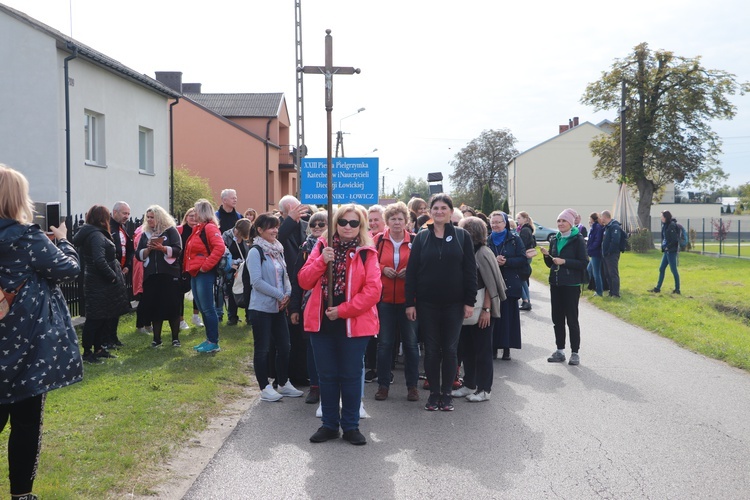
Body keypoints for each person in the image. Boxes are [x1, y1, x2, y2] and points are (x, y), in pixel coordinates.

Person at [0, 164, 83, 500]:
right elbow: (69, 269)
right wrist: (64, 242)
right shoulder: (26, 238)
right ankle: (21, 494)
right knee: (25, 421)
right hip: (23, 342)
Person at [298, 204, 382, 445]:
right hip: (322, 322)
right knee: (327, 375)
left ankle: (351, 425)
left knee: (351, 375)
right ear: (335, 224)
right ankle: (329, 424)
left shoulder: (367, 252)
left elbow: (373, 291)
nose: (348, 227)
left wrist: (343, 311)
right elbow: (304, 280)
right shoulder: (322, 246)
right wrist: (321, 262)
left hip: (353, 324)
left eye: (354, 223)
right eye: (343, 222)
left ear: (361, 226)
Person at [405, 193, 477, 412]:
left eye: (443, 208)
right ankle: (434, 393)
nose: (439, 211)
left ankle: (447, 394)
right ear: (429, 211)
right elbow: (412, 273)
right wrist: (410, 303)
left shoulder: (462, 236)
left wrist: (469, 301)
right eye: (435, 208)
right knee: (432, 350)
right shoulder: (421, 238)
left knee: (450, 349)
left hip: (454, 304)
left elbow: (470, 272)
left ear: (450, 211)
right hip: (427, 304)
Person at [247, 213, 304, 402]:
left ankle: (283, 382)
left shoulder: (277, 249)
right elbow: (256, 282)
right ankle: (264, 387)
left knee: (285, 346)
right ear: (260, 230)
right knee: (262, 349)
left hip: (279, 308)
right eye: (271, 227)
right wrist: (280, 296)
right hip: (261, 309)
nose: (275, 231)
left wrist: (287, 294)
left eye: (277, 227)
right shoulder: (256, 251)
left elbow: (285, 275)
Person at [453, 216, 507, 403]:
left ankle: (485, 389)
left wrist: (486, 310)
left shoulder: (483, 253)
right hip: (469, 310)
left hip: (482, 310)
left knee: (483, 351)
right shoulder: (468, 251)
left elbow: (491, 285)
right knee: (467, 348)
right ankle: (470, 384)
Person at [372, 202, 420, 402]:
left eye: (401, 219)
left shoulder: (416, 240)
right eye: (393, 219)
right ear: (387, 221)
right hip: (384, 300)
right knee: (384, 344)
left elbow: (424, 265)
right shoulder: (378, 240)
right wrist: (383, 268)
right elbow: (369, 262)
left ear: (406, 221)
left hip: (409, 300)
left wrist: (411, 272)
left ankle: (412, 386)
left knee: (410, 344)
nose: (397, 222)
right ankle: (383, 385)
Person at [72, 205, 131, 363]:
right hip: (99, 283)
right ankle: (87, 353)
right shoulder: (96, 235)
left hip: (99, 282)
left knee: (102, 316)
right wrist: (112, 276)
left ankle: (99, 349)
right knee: (94, 319)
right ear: (102, 218)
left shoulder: (94, 233)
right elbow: (99, 260)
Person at [540, 208, 588, 366]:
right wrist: (547, 256)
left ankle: (575, 353)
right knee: (557, 318)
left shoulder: (578, 239)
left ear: (571, 223)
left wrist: (564, 261)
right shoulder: (554, 239)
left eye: (564, 221)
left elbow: (583, 262)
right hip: (556, 283)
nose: (560, 223)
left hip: (571, 284)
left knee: (572, 320)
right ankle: (560, 350)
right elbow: (550, 264)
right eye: (559, 221)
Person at [289, 210, 328, 404]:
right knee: (312, 347)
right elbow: (297, 280)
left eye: (322, 225)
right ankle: (314, 387)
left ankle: (328, 386)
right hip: (309, 305)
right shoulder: (304, 248)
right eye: (313, 225)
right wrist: (295, 308)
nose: (317, 228)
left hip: (329, 304)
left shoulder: (334, 247)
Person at [136, 205, 183, 348]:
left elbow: (178, 250)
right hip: (152, 275)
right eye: (148, 217)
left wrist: (163, 249)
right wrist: (149, 249)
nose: (150, 220)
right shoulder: (145, 234)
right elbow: (138, 254)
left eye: (152, 217)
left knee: (172, 306)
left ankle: (175, 338)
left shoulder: (171, 231)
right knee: (155, 307)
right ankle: (157, 339)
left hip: (169, 274)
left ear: (160, 218)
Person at [184, 199, 226, 353]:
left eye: (196, 210)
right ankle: (209, 339)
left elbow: (219, 247)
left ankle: (213, 342)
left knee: (208, 308)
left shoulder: (209, 228)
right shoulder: (200, 228)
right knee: (203, 307)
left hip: (203, 273)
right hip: (197, 272)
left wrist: (205, 266)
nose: (193, 213)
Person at [277, 195, 311, 386]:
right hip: (285, 285)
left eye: (299, 209)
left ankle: (301, 372)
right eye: (293, 210)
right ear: (284, 212)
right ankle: (286, 374)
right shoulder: (279, 226)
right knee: (287, 334)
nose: (299, 213)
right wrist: (289, 219)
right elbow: (279, 239)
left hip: (304, 285)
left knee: (301, 333)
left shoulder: (306, 226)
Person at [487, 211, 527, 360]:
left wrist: (507, 262)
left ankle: (507, 348)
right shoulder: (487, 240)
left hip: (510, 282)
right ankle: (493, 348)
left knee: (508, 318)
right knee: (494, 318)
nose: (495, 225)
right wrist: (493, 261)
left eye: (498, 222)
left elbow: (522, 259)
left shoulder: (515, 239)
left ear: (505, 223)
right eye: (493, 222)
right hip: (492, 284)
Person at [109, 201, 133, 348]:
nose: (127, 217)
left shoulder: (123, 228)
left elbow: (129, 249)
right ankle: (108, 339)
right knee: (110, 308)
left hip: (121, 272)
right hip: (112, 273)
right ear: (115, 212)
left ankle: (113, 337)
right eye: (124, 213)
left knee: (117, 307)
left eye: (128, 214)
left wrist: (128, 266)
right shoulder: (109, 228)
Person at [222, 218, 252, 326]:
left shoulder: (247, 238)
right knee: (231, 292)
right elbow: (222, 254)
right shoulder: (226, 236)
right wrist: (232, 266)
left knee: (248, 291)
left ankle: (249, 317)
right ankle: (232, 317)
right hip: (231, 269)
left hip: (244, 268)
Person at [177, 208, 202, 328]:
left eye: (195, 216)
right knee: (180, 292)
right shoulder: (180, 230)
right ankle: (181, 320)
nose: (193, 218)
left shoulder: (200, 231)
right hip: (182, 266)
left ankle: (196, 317)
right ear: (186, 217)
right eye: (190, 216)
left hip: (196, 265)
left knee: (197, 292)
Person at [649, 210, 681, 294]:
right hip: (667, 251)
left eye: (662, 216)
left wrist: (668, 247)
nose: (661, 218)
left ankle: (677, 289)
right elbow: (665, 238)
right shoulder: (665, 225)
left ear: (666, 217)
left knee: (673, 270)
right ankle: (657, 288)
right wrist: (664, 247)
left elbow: (674, 240)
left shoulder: (671, 226)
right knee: (661, 268)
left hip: (671, 251)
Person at [515, 211, 536, 311]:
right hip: (526, 256)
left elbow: (521, 244)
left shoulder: (525, 230)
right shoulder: (528, 229)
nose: (517, 220)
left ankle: (526, 301)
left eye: (519, 218)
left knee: (520, 278)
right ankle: (526, 301)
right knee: (523, 279)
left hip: (524, 256)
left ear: (525, 219)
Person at [600, 210, 623, 298]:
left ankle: (616, 293)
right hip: (606, 254)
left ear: (605, 217)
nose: (601, 219)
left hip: (612, 254)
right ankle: (611, 291)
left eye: (601, 217)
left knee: (613, 273)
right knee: (607, 274)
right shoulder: (607, 227)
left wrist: (609, 251)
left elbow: (615, 241)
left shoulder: (614, 226)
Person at [587, 212, 605, 297]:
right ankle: (587, 285)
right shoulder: (595, 227)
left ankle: (599, 291)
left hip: (596, 253)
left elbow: (597, 241)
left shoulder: (597, 227)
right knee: (589, 269)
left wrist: (590, 248)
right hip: (593, 252)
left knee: (596, 273)